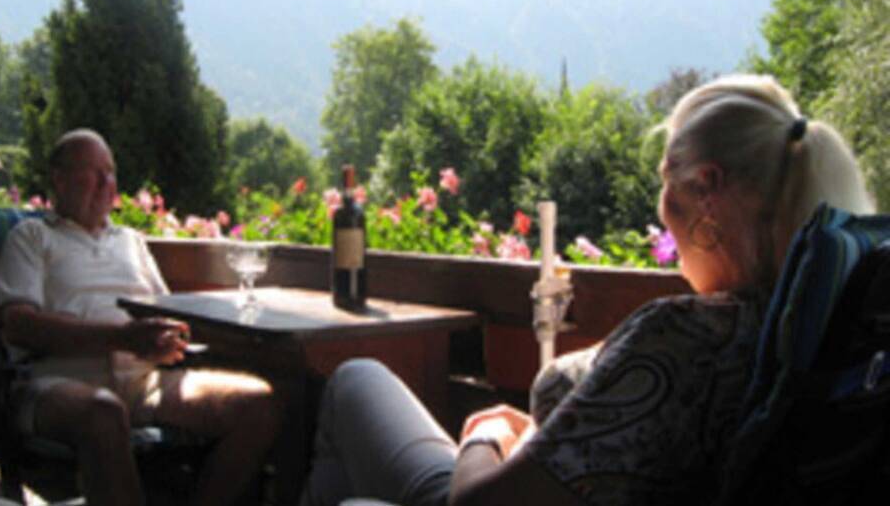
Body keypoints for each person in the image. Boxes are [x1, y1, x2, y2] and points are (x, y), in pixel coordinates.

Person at [298, 74, 875, 506]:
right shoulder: (807, 333)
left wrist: (492, 435)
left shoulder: (682, 335)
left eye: (663, 180)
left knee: (354, 381)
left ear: (705, 189)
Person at [0, 129, 281, 506]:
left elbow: (168, 312)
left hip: (145, 382)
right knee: (103, 412)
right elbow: (17, 324)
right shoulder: (31, 237)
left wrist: (169, 338)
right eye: (92, 172)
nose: (106, 183)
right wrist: (121, 337)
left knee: (259, 404)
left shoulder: (131, 240)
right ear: (59, 181)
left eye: (110, 172)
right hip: (57, 380)